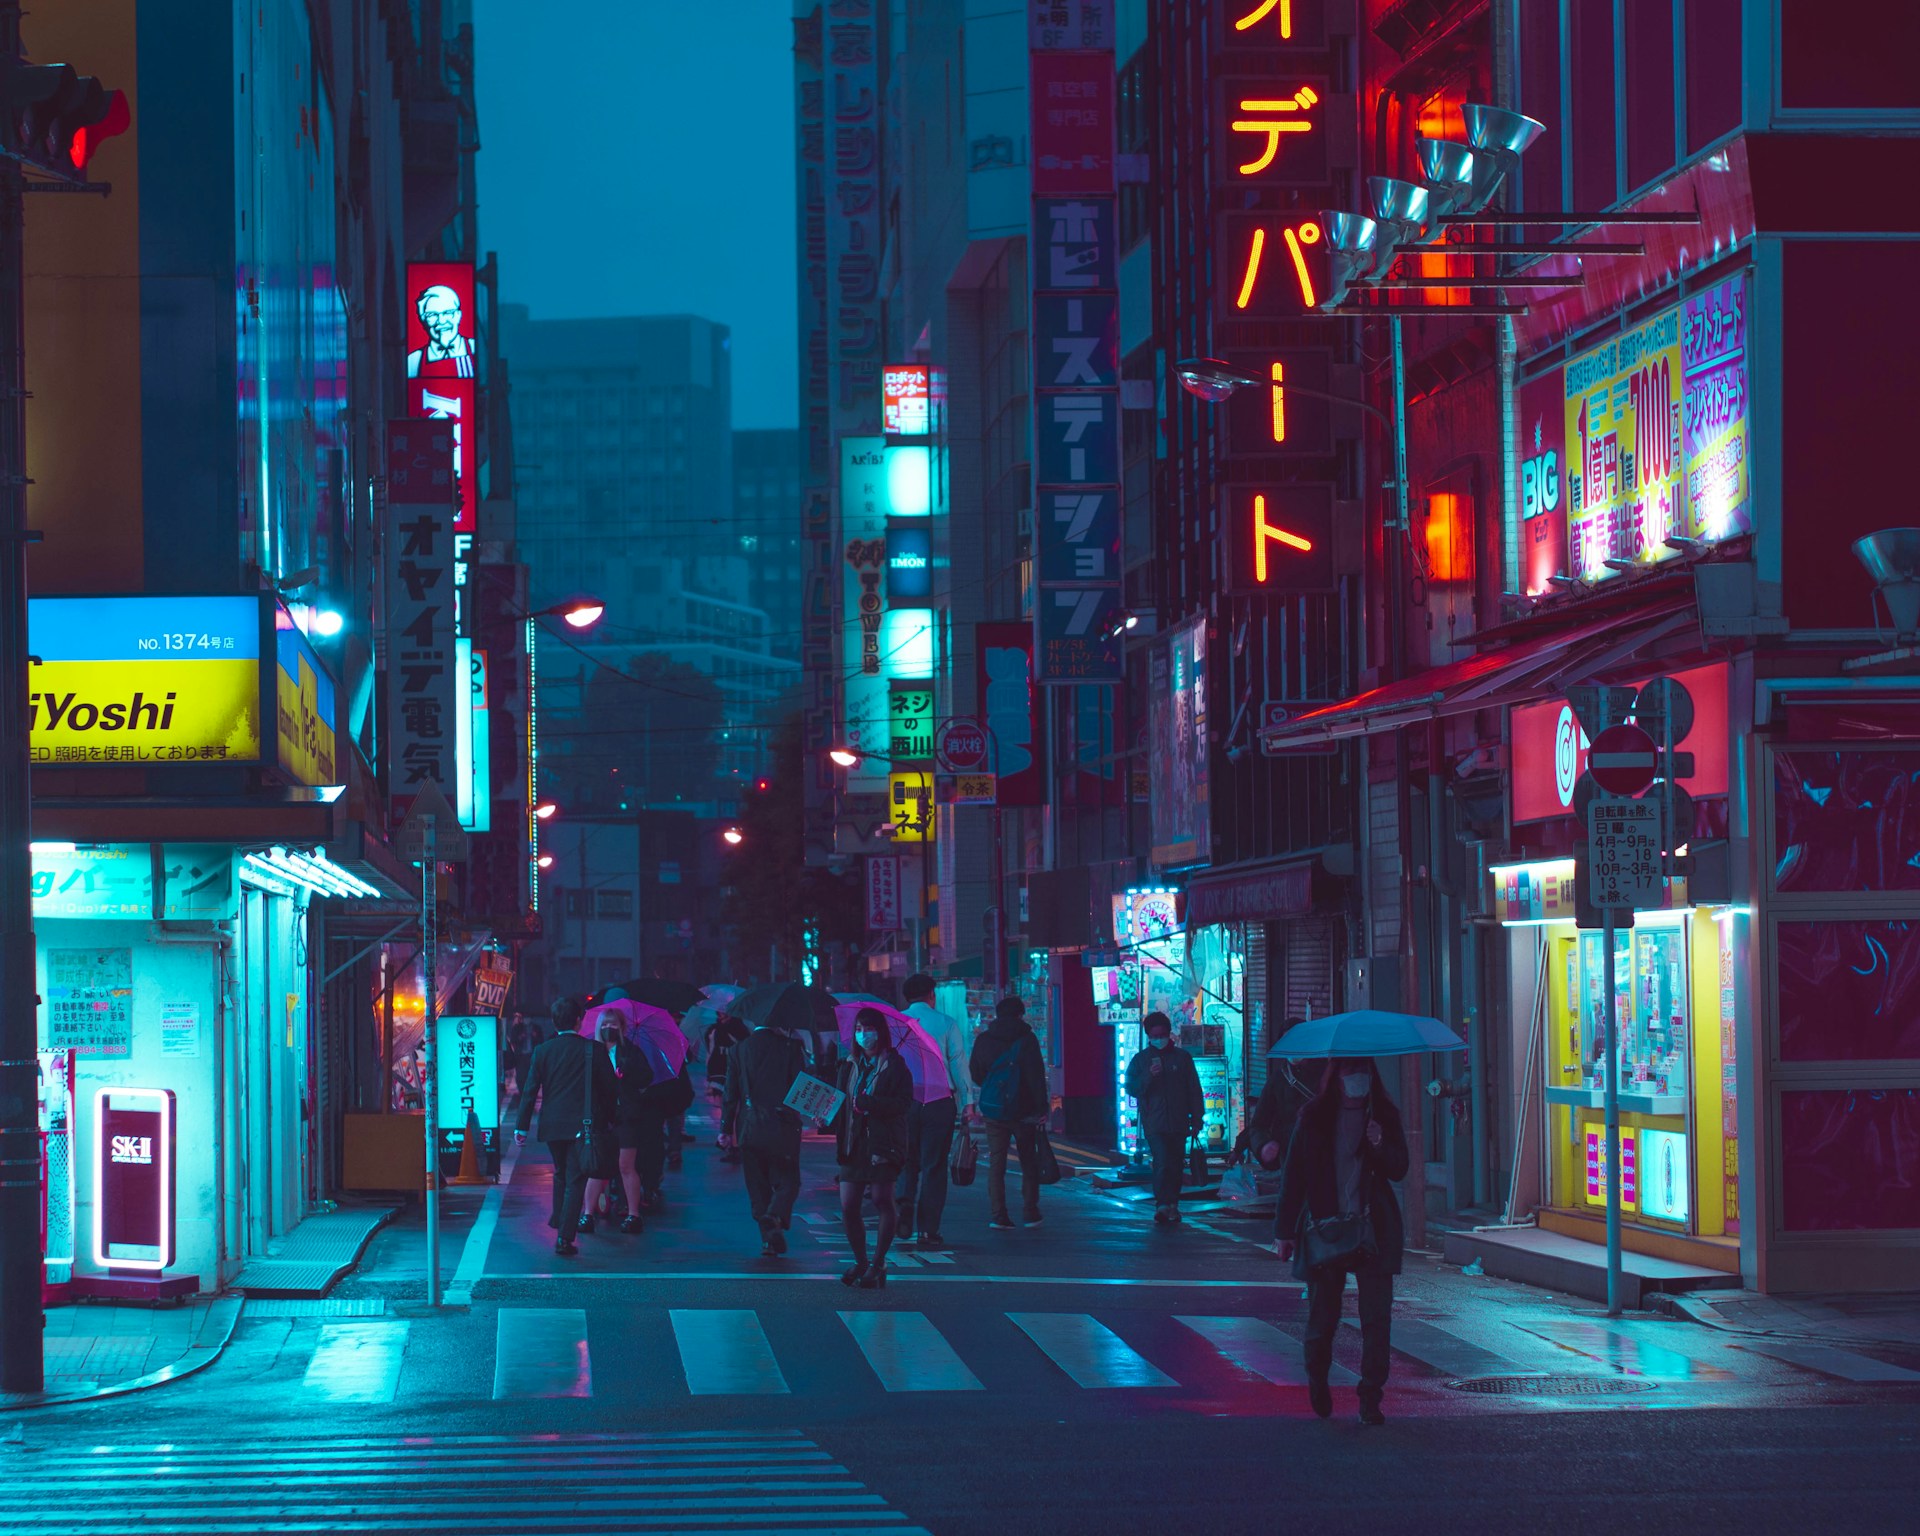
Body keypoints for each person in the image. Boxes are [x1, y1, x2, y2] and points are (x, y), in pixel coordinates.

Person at [1274, 1057, 1410, 1426]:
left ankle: (1370, 1397)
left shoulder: (1382, 1115)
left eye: (1363, 1072)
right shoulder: (1314, 1118)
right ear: (1336, 1077)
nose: (1357, 1079)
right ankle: (1317, 1377)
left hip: (1372, 1231)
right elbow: (1294, 1177)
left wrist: (1379, 1143)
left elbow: (1399, 1167)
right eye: (1350, 1072)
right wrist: (1284, 1232)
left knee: (1377, 1320)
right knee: (1323, 1316)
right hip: (1325, 1229)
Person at [513, 996, 616, 1255]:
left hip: (551, 1125)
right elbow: (609, 1090)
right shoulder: (594, 1050)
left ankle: (560, 1221)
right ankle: (564, 1237)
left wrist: (521, 1126)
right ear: (579, 1021)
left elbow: (530, 1090)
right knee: (575, 1178)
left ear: (554, 1022)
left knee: (561, 1172)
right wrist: (609, 1119)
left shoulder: (543, 1050)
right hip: (584, 1125)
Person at [833, 1008, 913, 1288]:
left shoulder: (895, 1066)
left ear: (880, 1031)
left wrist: (870, 1104)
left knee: (881, 1200)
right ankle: (861, 1261)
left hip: (883, 1143)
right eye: (858, 1028)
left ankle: (878, 1263)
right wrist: (826, 1116)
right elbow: (840, 1102)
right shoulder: (849, 1065)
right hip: (853, 1143)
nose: (863, 1034)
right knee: (848, 1205)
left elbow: (903, 1105)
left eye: (868, 1028)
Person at [722, 1015, 808, 1256]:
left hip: (749, 1126)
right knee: (788, 1180)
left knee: (757, 1184)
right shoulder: (791, 1047)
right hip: (783, 1125)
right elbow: (802, 1087)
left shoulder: (738, 1050)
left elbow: (730, 1094)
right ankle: (775, 1215)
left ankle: (767, 1239)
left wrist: (725, 1130)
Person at [895, 973, 970, 1248]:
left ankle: (903, 1208)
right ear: (931, 995)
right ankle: (928, 1230)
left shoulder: (895, 1023)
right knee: (934, 1165)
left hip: (904, 1101)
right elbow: (958, 1063)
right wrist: (968, 1102)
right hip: (939, 1101)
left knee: (905, 1159)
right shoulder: (946, 1023)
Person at [969, 996, 1050, 1229]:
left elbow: (976, 1073)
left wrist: (995, 1090)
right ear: (1020, 1014)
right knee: (1028, 1161)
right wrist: (1041, 1107)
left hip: (994, 1111)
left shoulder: (984, 1039)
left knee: (997, 1163)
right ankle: (1030, 1211)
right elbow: (1036, 1076)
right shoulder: (1027, 1039)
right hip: (1023, 1110)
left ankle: (999, 1215)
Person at [1125, 1011, 1206, 1225]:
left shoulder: (1182, 1058)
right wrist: (1149, 1076)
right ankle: (1163, 1204)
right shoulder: (1141, 1060)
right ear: (1149, 1036)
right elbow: (1131, 1088)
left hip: (1179, 1121)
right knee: (1162, 1162)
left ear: (1170, 1034)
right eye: (1155, 1035)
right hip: (1155, 1123)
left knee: (1176, 1163)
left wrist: (1197, 1118)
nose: (1159, 1039)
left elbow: (1194, 1089)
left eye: (1163, 1034)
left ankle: (1173, 1204)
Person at [582, 1010, 652, 1234]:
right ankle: (587, 1214)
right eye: (605, 1024)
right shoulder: (591, 1052)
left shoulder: (631, 1052)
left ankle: (634, 1214)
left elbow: (646, 1077)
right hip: (601, 1118)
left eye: (613, 1024)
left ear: (622, 1028)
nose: (608, 1028)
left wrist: (627, 1073)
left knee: (626, 1166)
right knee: (597, 1167)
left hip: (626, 1116)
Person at [406, 282, 476, 377]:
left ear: (458, 315)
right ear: (423, 320)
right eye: (432, 315)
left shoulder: (475, 349)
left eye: (448, 313)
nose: (441, 321)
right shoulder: (413, 361)